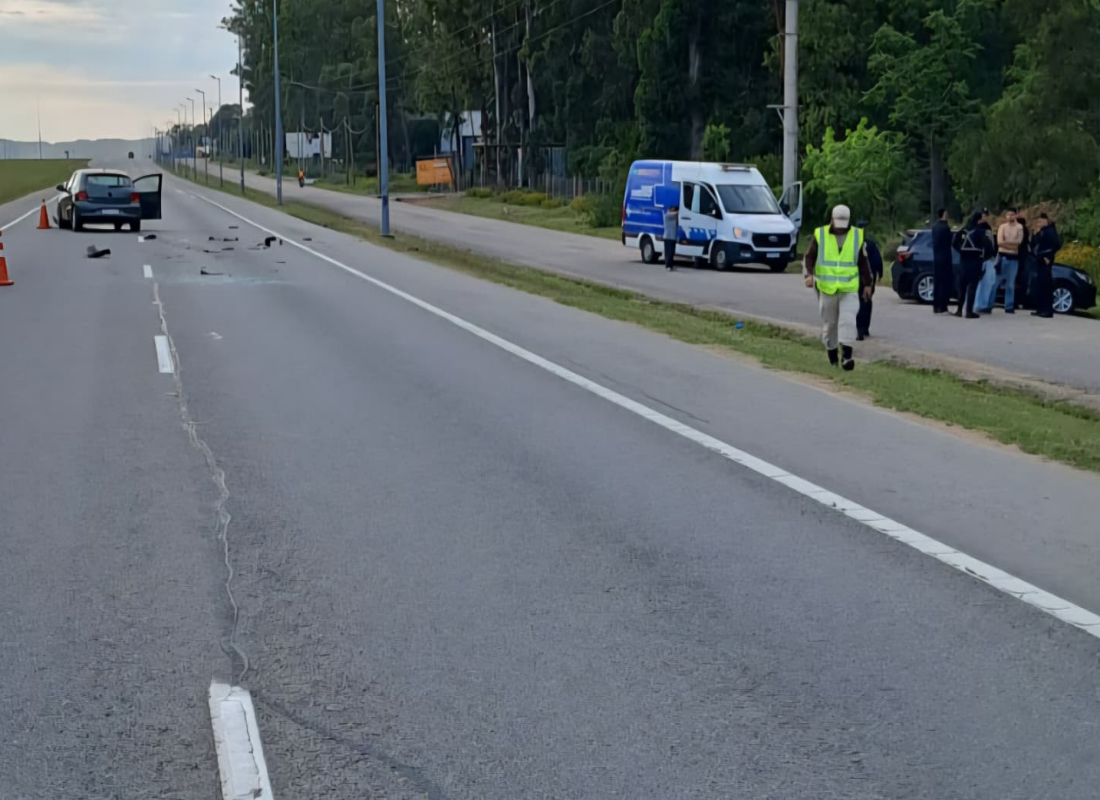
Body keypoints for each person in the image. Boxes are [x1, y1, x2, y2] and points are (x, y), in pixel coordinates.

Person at [803, 204, 873, 370]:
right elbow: (809, 257)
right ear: (832, 220)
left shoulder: (857, 235)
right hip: (826, 289)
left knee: (848, 321)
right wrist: (809, 275)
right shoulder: (820, 234)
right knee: (830, 325)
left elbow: (863, 262)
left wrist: (868, 284)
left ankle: (847, 358)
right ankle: (833, 355)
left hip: (849, 289)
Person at [953, 208, 996, 318]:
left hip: (963, 261)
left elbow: (954, 243)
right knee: (972, 287)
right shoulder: (980, 232)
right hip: (975, 261)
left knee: (961, 286)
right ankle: (969, 311)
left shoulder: (963, 230)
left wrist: (962, 251)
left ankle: (958, 310)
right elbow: (989, 247)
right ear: (979, 219)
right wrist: (984, 257)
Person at [855, 219, 883, 340]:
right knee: (866, 302)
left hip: (856, 277)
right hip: (869, 278)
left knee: (857, 303)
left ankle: (859, 328)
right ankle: (864, 328)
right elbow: (877, 260)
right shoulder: (870, 244)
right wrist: (880, 273)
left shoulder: (851, 244)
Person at [1031, 212, 1061, 318]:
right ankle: (1040, 308)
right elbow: (1034, 244)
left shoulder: (1050, 231)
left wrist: (1049, 256)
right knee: (1039, 285)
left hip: (1045, 260)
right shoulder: (1041, 231)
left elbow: (1056, 244)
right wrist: (1035, 233)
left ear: (1046, 220)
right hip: (1038, 259)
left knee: (1046, 285)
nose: (1038, 223)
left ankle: (1048, 310)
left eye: (1040, 221)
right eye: (1037, 221)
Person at [931, 208, 954, 314]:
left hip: (936, 257)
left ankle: (936, 306)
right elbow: (949, 242)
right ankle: (943, 306)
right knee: (945, 282)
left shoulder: (935, 226)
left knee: (937, 281)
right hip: (945, 257)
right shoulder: (945, 227)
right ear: (944, 214)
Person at [663, 206, 679, 271]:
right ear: (670, 210)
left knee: (671, 252)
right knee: (669, 252)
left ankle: (670, 265)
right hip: (668, 237)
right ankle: (668, 265)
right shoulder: (667, 215)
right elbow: (676, 214)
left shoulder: (673, 216)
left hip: (672, 237)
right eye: (673, 209)